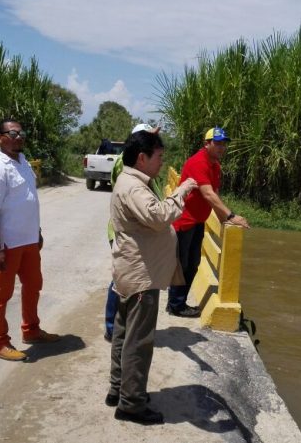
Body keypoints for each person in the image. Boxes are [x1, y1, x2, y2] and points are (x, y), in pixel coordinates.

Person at [106, 130, 197, 425]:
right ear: (142, 158)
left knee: (123, 333)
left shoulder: (131, 180)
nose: (162, 162)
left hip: (130, 271)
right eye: (158, 157)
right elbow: (158, 217)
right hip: (141, 276)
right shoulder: (134, 187)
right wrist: (180, 192)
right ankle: (131, 404)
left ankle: (119, 389)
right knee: (139, 340)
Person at [0, 119, 59, 362]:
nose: (18, 137)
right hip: (8, 244)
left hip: (29, 241)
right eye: (12, 133)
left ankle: (31, 330)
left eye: (21, 132)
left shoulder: (23, 162)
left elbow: (28, 202)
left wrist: (37, 232)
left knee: (33, 286)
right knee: (1, 294)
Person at [167, 127, 250, 317]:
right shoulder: (198, 162)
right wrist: (231, 216)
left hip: (197, 221)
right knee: (183, 264)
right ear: (207, 144)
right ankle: (176, 305)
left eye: (224, 144)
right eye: (218, 143)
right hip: (184, 221)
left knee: (193, 263)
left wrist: (222, 218)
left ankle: (177, 303)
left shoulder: (215, 165)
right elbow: (207, 193)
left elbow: (215, 194)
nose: (222, 148)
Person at [103, 123, 162, 342]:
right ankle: (112, 325)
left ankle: (118, 326)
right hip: (125, 230)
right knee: (121, 279)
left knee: (123, 279)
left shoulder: (140, 170)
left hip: (134, 229)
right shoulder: (126, 165)